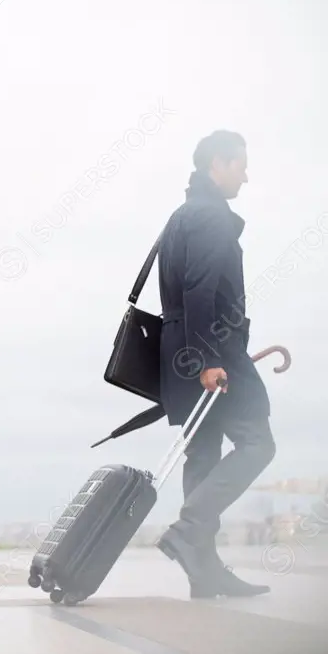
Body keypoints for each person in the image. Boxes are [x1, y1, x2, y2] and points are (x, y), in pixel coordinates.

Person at [155, 131, 276, 598]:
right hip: (213, 352)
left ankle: (202, 574)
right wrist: (208, 360)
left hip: (181, 351)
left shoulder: (182, 215)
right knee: (257, 442)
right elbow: (199, 289)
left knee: (203, 454)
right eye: (240, 165)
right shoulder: (210, 217)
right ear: (217, 165)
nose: (246, 175)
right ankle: (189, 532)